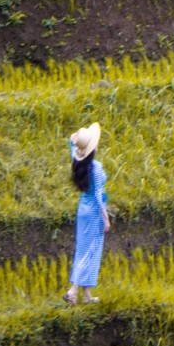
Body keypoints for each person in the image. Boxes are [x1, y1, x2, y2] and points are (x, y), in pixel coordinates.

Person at [65, 122, 110, 304]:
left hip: (82, 210)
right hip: (93, 213)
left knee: (83, 249)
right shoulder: (96, 168)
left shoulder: (78, 162)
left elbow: (71, 141)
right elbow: (99, 195)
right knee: (89, 252)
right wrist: (106, 217)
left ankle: (87, 295)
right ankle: (73, 291)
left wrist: (76, 138)